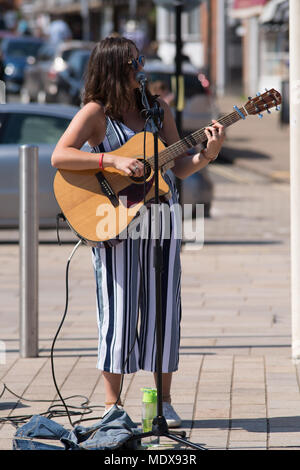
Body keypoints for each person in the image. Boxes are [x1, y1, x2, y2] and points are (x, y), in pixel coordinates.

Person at [51, 36, 225, 428]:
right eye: (133, 62)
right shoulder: (95, 113)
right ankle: (113, 406)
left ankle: (164, 402)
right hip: (115, 225)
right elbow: (60, 154)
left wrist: (208, 154)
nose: (141, 67)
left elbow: (177, 166)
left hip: (161, 221)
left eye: (140, 59)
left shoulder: (156, 110)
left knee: (165, 310)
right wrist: (111, 159)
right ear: (113, 68)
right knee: (118, 311)